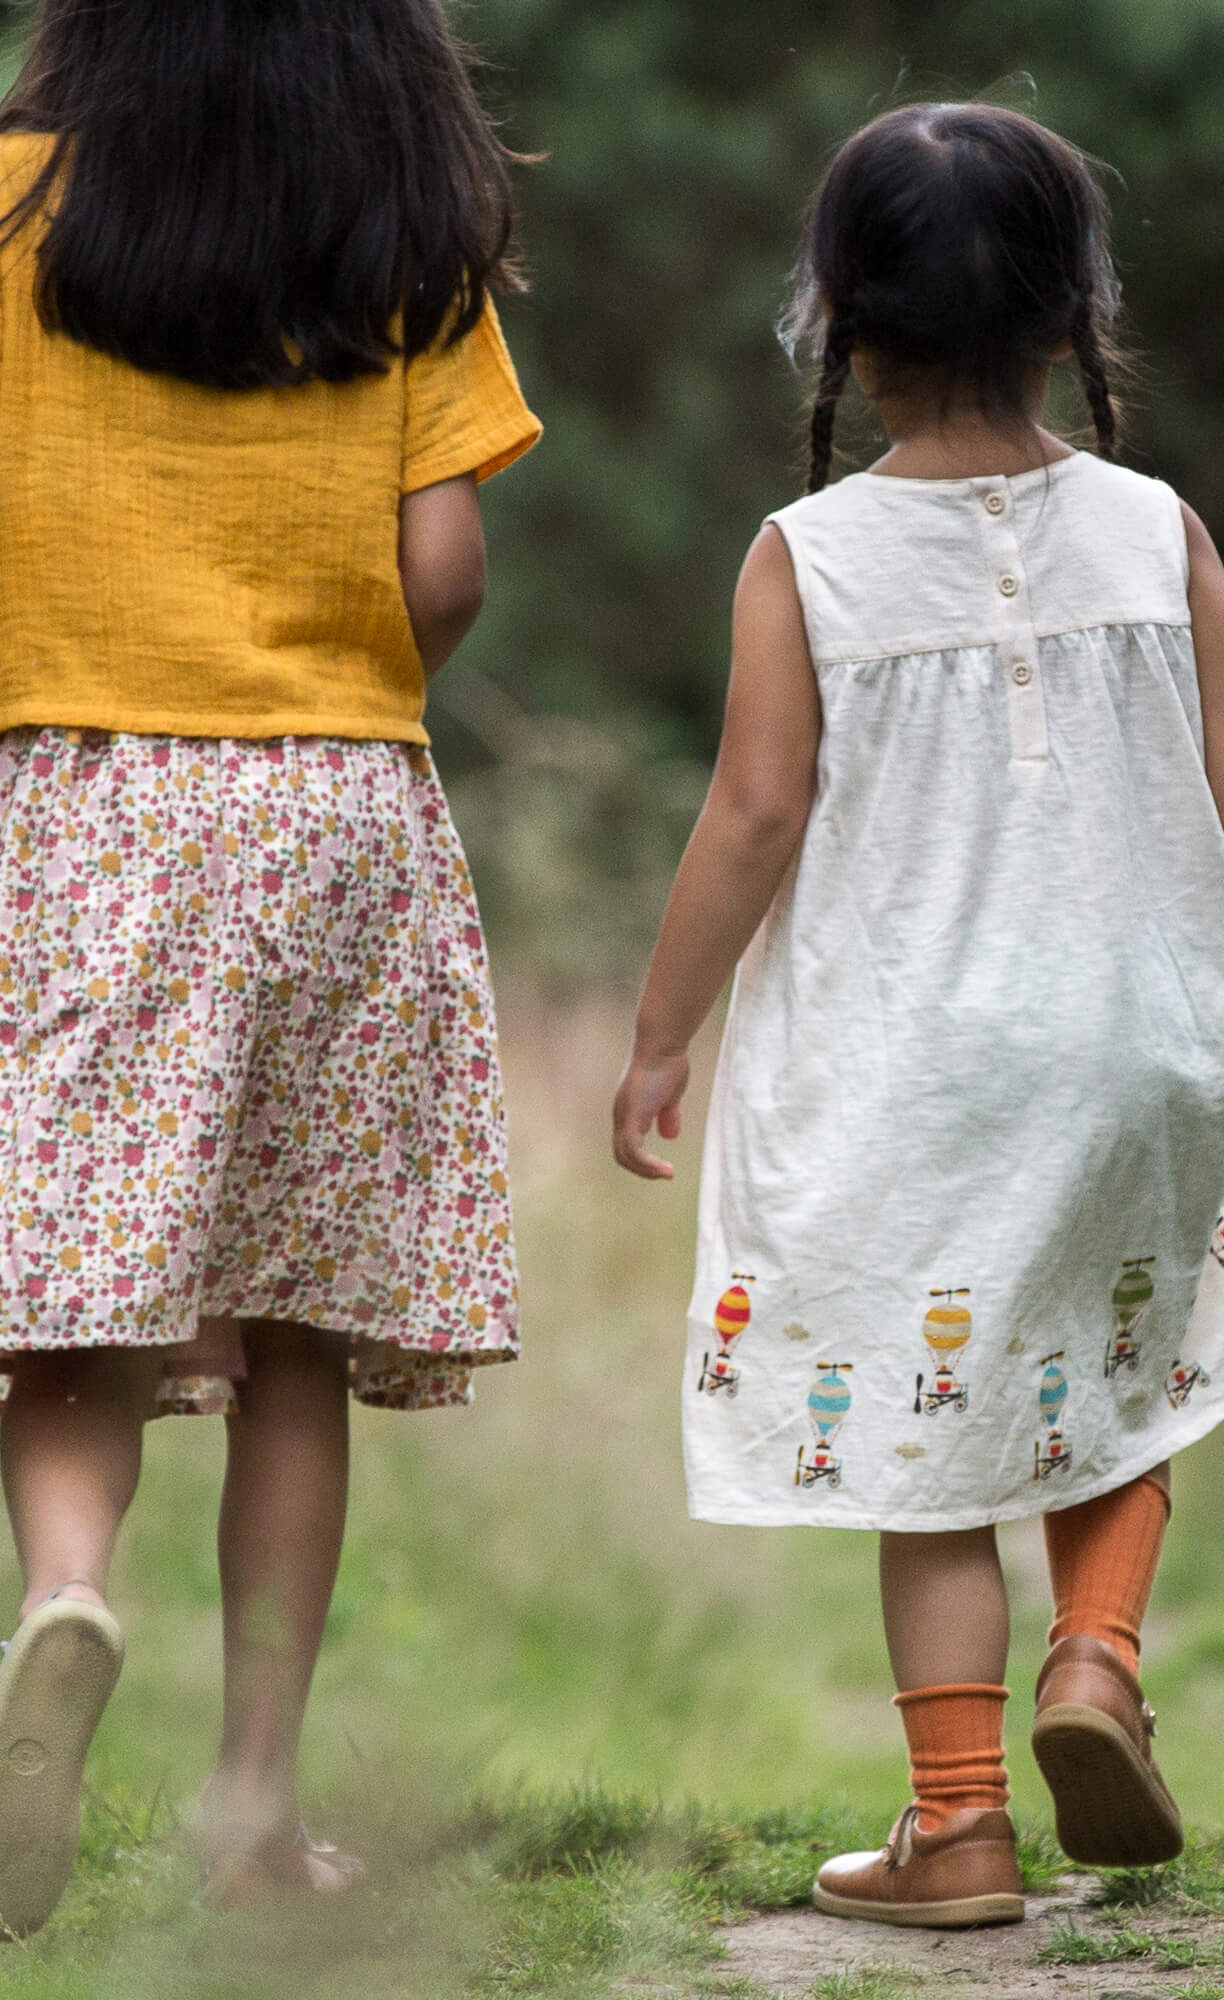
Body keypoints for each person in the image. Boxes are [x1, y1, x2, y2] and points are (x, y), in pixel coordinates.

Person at [614, 101, 1224, 1926]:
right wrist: (1205, 998)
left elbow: (754, 812)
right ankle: (1099, 1657)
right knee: (1129, 1370)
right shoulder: (1159, 527)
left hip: (917, 1072)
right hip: (1143, 1042)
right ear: (1078, 317)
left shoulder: (809, 555)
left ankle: (964, 1825)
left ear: (839, 323)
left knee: (932, 1443)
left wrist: (662, 1031)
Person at [0, 0, 540, 1928]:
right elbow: (447, 570)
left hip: (76, 800)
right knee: (298, 1322)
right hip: (338, 813)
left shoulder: (9, 225)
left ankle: (66, 1589)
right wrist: (344, 694)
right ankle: (249, 1808)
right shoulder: (400, 242)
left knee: (80, 1283)